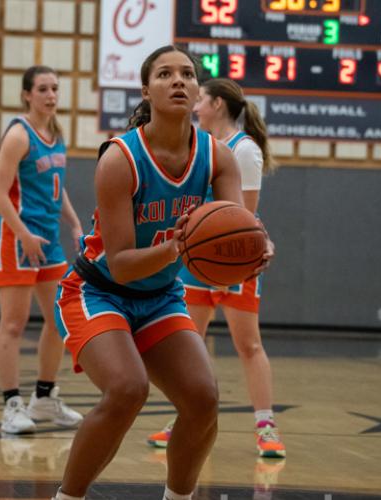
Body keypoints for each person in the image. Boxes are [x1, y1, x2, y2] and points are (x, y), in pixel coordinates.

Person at [52, 46, 274, 500]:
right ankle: (67, 498)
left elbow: (234, 227)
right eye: (166, 74)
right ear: (146, 90)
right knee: (127, 389)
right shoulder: (120, 159)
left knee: (202, 398)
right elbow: (121, 263)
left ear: (196, 92)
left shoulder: (218, 158)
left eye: (187, 74)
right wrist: (178, 246)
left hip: (159, 295)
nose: (178, 80)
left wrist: (254, 248)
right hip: (98, 291)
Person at [147, 78, 285, 459]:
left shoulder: (244, 150)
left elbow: (245, 217)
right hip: (196, 260)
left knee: (249, 344)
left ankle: (265, 425)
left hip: (234, 259)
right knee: (191, 342)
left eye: (201, 100)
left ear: (219, 105)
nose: (195, 107)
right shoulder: (199, 145)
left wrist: (263, 242)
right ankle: (185, 417)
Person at [0, 65, 84, 434]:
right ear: (27, 94)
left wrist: (74, 223)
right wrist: (24, 234)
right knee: (13, 323)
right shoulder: (18, 135)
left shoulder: (55, 132)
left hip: (49, 240)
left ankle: (43, 398)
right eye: (43, 89)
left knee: (59, 320)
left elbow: (56, 190)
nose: (51, 95)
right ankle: (11, 406)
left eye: (55, 88)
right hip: (16, 239)